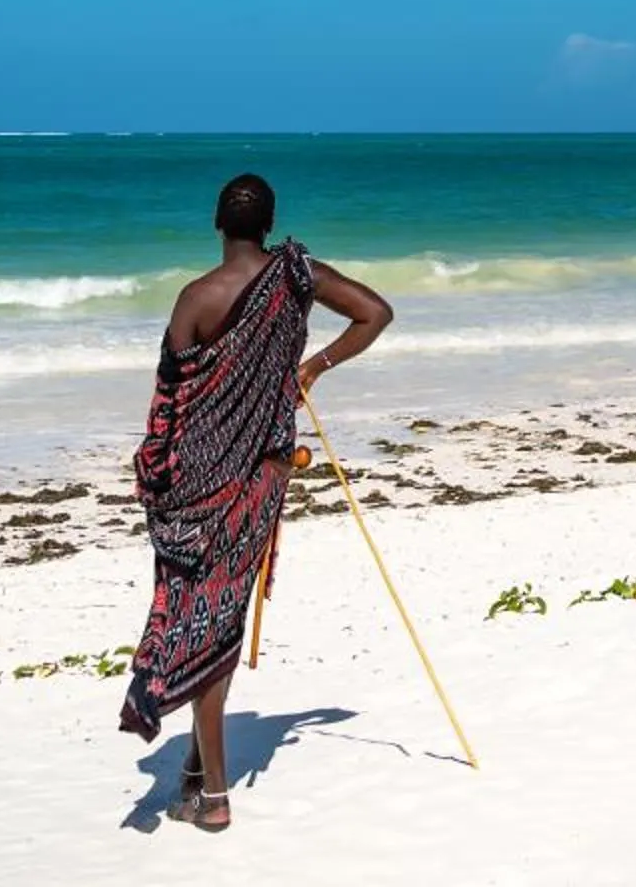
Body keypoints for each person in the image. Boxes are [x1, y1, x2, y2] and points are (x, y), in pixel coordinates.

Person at [119, 171, 393, 830]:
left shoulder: (194, 299)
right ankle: (195, 769)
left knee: (203, 619)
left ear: (217, 224)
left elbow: (168, 407)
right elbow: (375, 312)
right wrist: (313, 366)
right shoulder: (295, 275)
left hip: (193, 489)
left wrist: (154, 478)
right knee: (221, 617)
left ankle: (213, 796)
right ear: (268, 226)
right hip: (262, 479)